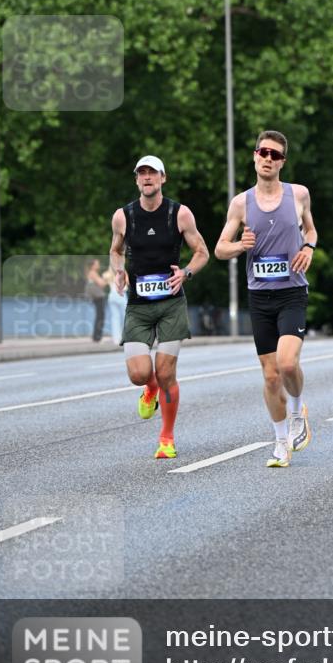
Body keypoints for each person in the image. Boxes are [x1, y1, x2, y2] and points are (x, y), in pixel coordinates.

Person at [215, 130, 317, 469]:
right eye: (263, 152)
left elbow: (311, 230)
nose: (268, 159)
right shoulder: (241, 203)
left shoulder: (299, 194)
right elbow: (220, 248)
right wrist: (239, 246)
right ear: (255, 156)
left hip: (291, 292)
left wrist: (308, 248)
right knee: (271, 376)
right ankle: (279, 443)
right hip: (259, 296)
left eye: (275, 154)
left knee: (288, 364)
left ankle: (298, 409)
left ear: (282, 161)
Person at [110, 155, 209, 459]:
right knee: (139, 373)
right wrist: (118, 270)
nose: (147, 178)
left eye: (153, 173)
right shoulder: (123, 216)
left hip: (170, 305)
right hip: (139, 305)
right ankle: (148, 388)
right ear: (137, 179)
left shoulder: (180, 214)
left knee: (166, 372)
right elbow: (115, 250)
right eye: (142, 173)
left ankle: (166, 437)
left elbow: (202, 253)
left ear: (163, 178)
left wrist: (186, 273)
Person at [102, 265, 128, 345]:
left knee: (114, 318)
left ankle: (116, 339)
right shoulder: (123, 271)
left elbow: (103, 284)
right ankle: (125, 337)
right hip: (121, 294)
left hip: (112, 295)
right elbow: (128, 282)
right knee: (125, 317)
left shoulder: (107, 273)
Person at [85, 258, 107, 342]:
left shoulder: (92, 273)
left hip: (97, 297)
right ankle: (97, 337)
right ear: (92, 266)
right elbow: (101, 284)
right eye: (97, 264)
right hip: (98, 297)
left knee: (99, 316)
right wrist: (106, 279)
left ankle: (96, 336)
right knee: (100, 317)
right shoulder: (93, 273)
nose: (98, 265)